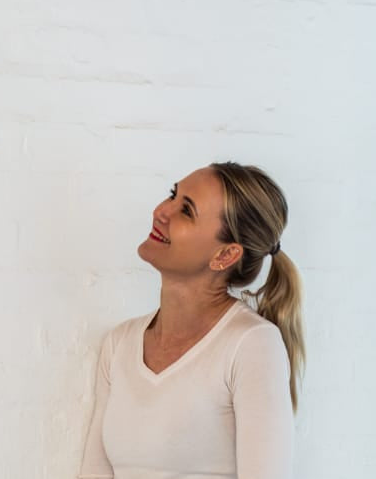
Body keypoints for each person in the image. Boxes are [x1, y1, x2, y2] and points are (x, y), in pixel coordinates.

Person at [78, 162, 305, 479]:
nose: (162, 211)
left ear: (225, 256)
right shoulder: (120, 344)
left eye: (186, 210)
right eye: (173, 195)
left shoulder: (251, 344)